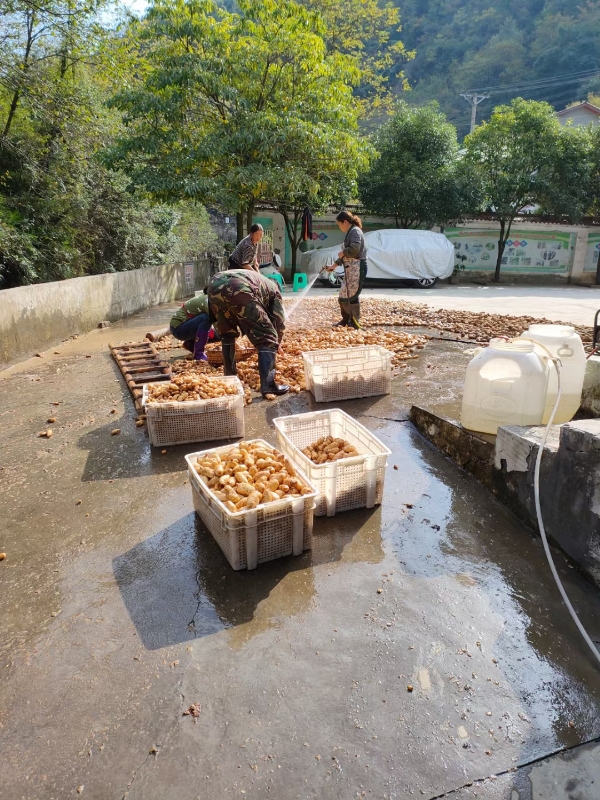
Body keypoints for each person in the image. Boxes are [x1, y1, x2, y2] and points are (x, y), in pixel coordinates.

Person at [207, 269, 289, 396]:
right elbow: (279, 320)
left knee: (227, 334)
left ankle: (230, 377)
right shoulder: (275, 290)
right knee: (268, 336)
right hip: (238, 287)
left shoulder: (260, 281)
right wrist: (275, 343)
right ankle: (268, 386)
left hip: (213, 286)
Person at [326, 210, 367, 329]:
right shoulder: (350, 232)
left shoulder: (355, 231)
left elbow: (354, 249)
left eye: (339, 224)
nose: (339, 227)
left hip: (358, 267)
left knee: (352, 295)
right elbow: (344, 256)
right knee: (344, 293)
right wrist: (333, 266)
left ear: (345, 222)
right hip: (351, 268)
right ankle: (345, 320)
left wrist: (343, 252)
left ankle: (354, 322)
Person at [169, 293, 212, 361]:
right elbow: (217, 321)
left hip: (186, 326)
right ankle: (199, 354)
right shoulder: (207, 300)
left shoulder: (213, 299)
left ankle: (190, 344)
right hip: (178, 329)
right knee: (206, 318)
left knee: (216, 334)